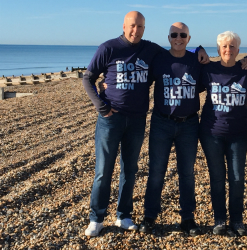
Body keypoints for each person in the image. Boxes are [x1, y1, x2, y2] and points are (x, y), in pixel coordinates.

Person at [81, 11, 208, 237]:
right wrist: (101, 105)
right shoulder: (109, 48)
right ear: (124, 26)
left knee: (130, 169)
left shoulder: (151, 50)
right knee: (103, 171)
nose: (135, 30)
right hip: (111, 118)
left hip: (139, 119)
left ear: (144, 28)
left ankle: (124, 215)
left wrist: (199, 50)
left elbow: (179, 52)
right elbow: (88, 77)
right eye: (132, 26)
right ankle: (96, 218)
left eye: (139, 27)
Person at [137, 22, 203, 236]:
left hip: (189, 124)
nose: (178, 38)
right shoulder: (159, 59)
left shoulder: (196, 60)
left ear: (189, 38)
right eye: (174, 34)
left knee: (187, 173)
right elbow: (139, 82)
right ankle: (149, 216)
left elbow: (212, 78)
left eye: (183, 35)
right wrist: (108, 85)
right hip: (161, 122)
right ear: (168, 38)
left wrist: (200, 49)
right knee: (156, 172)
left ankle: (187, 218)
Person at [198, 31, 247, 237]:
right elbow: (187, 68)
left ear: (238, 50)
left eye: (232, 46)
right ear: (219, 49)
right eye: (224, 46)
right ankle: (219, 219)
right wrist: (198, 48)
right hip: (211, 133)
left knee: (237, 178)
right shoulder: (209, 70)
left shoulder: (246, 71)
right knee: (217, 177)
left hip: (238, 134)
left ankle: (237, 219)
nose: (228, 50)